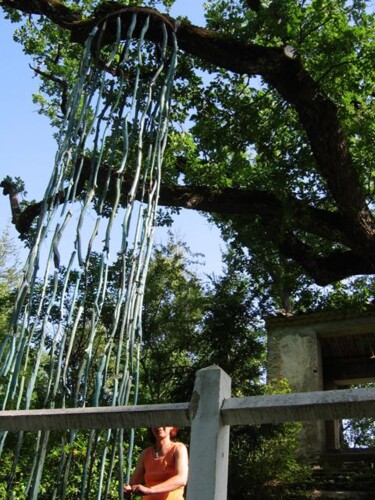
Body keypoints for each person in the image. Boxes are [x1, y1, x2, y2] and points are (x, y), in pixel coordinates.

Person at [124, 427, 188, 499]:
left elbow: (181, 479)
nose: (159, 426)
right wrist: (127, 489)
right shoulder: (145, 453)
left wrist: (150, 490)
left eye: (163, 422)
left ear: (172, 427)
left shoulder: (178, 448)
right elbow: (133, 483)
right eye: (155, 423)